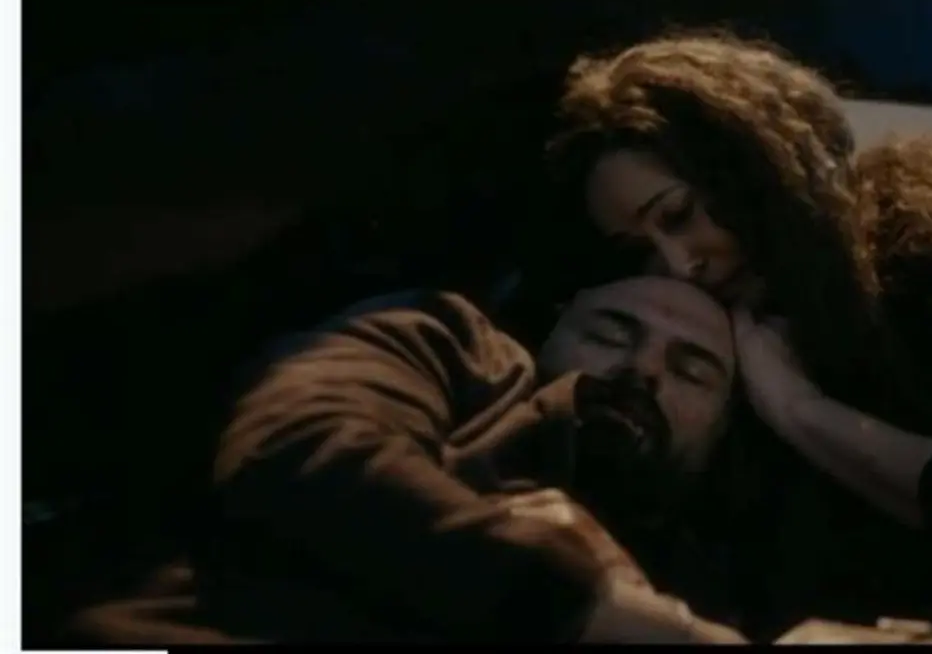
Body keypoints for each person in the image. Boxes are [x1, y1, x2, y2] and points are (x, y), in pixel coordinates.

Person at [533, 30, 932, 643]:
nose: (680, 264)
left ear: (745, 162)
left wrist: (799, 410)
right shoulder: (741, 331)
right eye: (639, 248)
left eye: (677, 215)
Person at [67, 276, 749, 644]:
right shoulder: (456, 351)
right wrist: (588, 606)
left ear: (722, 431)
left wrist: (799, 412)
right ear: (550, 334)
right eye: (610, 333)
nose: (642, 370)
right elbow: (299, 444)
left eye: (692, 371)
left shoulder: (709, 584)